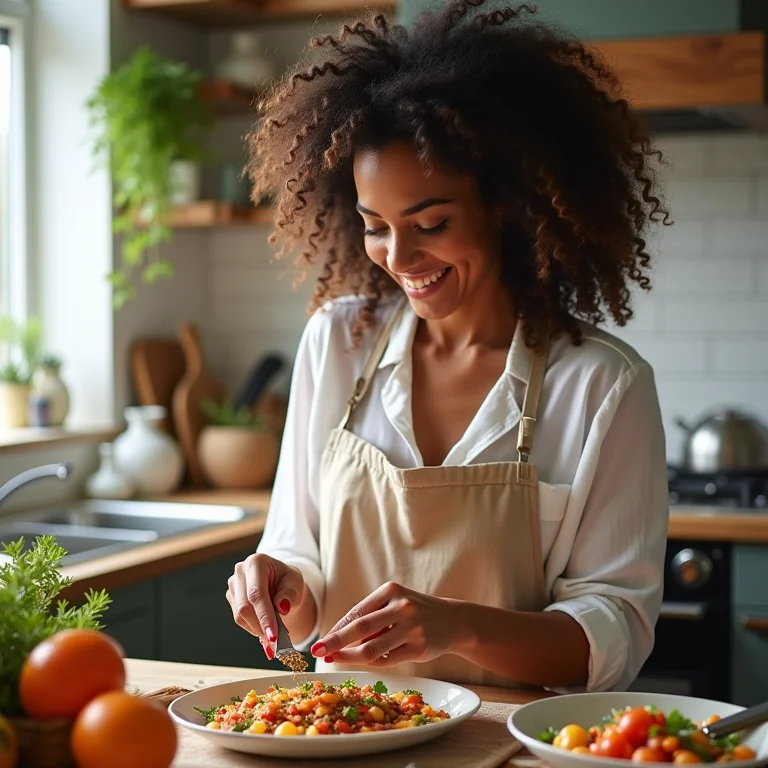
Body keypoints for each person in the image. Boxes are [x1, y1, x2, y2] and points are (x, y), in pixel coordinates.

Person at [226, 0, 671, 693]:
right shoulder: (337, 342)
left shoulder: (601, 386)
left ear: (506, 206)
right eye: (376, 225)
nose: (399, 257)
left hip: (509, 743)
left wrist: (461, 626)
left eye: (430, 222)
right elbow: (300, 549)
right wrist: (281, 582)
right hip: (341, 727)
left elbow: (614, 631)